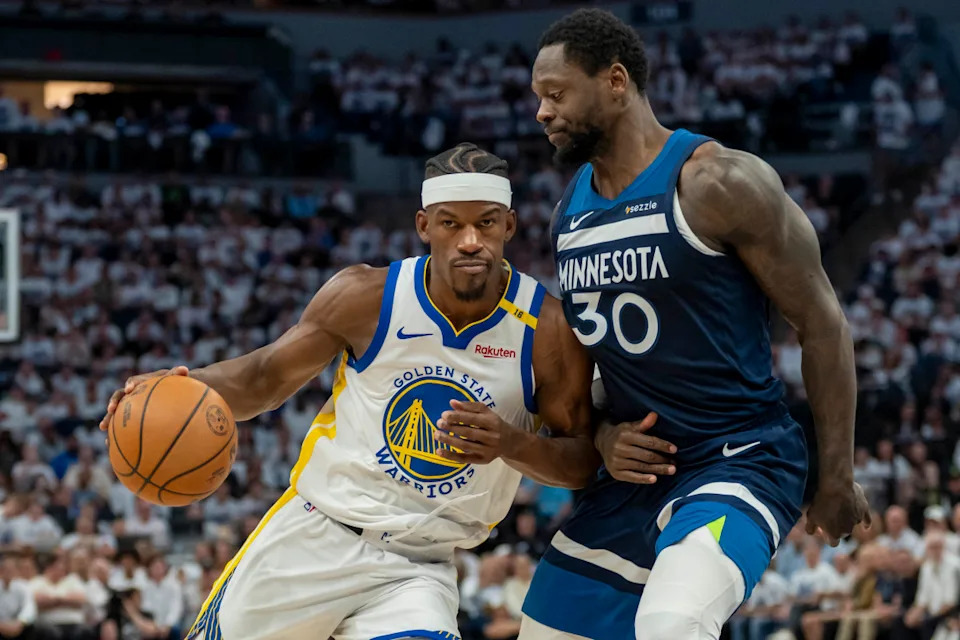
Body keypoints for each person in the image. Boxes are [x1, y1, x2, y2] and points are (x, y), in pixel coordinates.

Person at [100, 143, 666, 640]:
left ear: (510, 226)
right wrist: (173, 387)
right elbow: (262, 381)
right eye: (451, 224)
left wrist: (509, 444)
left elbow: (579, 461)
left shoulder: (546, 330)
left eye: (487, 223)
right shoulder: (367, 296)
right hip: (315, 534)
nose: (470, 241)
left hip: (418, 566)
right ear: (424, 225)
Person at [521, 9, 871, 639]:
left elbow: (823, 326)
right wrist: (601, 439)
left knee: (672, 623)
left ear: (616, 81)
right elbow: (593, 365)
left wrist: (838, 474)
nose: (542, 112)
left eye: (556, 94)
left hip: (739, 457)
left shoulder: (718, 182)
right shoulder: (568, 212)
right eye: (538, 99)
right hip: (634, 480)